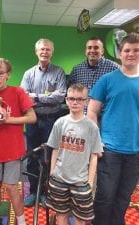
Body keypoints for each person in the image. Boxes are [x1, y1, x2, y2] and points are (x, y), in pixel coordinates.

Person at [87, 32, 139, 225]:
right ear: (120, 53)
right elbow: (92, 111)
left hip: (137, 152)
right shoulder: (107, 80)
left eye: (136, 50)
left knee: (123, 197)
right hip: (109, 150)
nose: (131, 54)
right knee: (105, 196)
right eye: (127, 50)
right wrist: (97, 141)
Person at [0, 58, 37, 225]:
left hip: (13, 149)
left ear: (8, 75)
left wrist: (7, 119)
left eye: (0, 73)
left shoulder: (18, 92)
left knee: (12, 187)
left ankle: (21, 221)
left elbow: (32, 117)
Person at [45, 83, 103, 225]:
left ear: (86, 101)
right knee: (61, 215)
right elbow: (55, 149)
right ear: (66, 100)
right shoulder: (60, 123)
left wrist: (90, 181)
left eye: (79, 99)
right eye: (71, 98)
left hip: (81, 182)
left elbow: (94, 155)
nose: (75, 102)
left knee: (80, 219)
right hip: (59, 179)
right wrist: (52, 172)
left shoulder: (92, 127)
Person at [20, 38, 66, 206]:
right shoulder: (28, 74)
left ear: (52, 52)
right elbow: (24, 97)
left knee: (49, 157)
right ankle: (33, 191)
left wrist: (38, 97)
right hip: (32, 121)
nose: (44, 52)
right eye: (41, 49)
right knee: (32, 156)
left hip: (51, 121)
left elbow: (61, 96)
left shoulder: (59, 72)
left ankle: (45, 192)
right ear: (36, 52)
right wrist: (48, 98)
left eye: (47, 49)